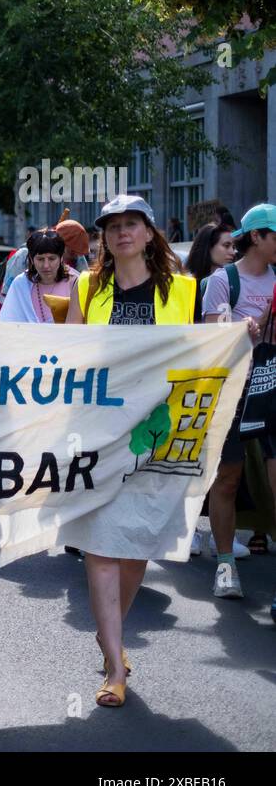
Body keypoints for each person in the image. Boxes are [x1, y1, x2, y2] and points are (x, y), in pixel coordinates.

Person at [64, 194, 198, 708]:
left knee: (137, 544)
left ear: (148, 233)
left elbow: (203, 352)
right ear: (104, 238)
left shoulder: (184, 289)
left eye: (131, 224)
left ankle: (109, 632)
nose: (122, 233)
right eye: (113, 226)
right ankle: (116, 664)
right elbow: (69, 355)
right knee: (101, 543)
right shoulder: (87, 287)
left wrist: (240, 334)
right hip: (100, 430)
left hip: (159, 430)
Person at [199, 204, 276, 601]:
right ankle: (225, 564)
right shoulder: (222, 280)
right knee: (226, 478)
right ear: (257, 237)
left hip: (273, 391)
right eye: (275, 235)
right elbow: (214, 339)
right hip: (233, 393)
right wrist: (245, 329)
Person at [0, 229, 77, 323]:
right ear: (31, 259)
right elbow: (7, 323)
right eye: (40, 259)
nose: (46, 265)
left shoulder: (75, 283)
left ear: (61, 258)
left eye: (52, 259)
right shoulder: (21, 284)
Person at [185, 222, 235, 322]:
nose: (232, 252)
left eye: (233, 247)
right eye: (226, 245)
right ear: (208, 247)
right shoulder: (188, 286)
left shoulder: (233, 283)